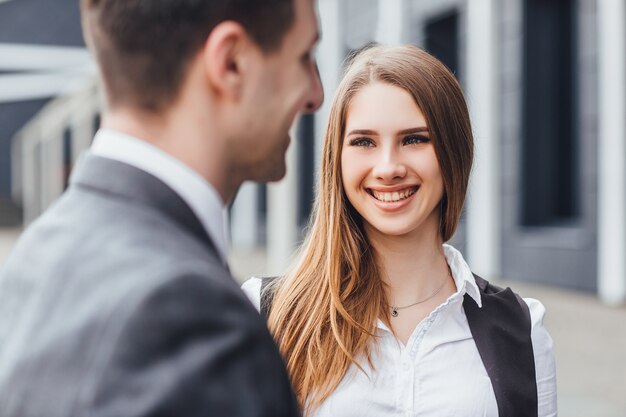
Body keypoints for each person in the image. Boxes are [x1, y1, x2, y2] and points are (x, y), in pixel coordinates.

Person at [0, 0, 322, 415]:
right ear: (231, 62)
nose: (315, 95)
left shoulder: (35, 254)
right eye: (304, 57)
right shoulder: (195, 319)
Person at [242, 45, 557, 417]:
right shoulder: (266, 314)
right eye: (363, 142)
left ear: (454, 153)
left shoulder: (522, 328)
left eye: (414, 139)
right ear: (336, 159)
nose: (388, 167)